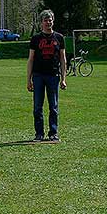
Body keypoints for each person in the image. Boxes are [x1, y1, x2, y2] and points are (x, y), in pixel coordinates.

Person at [27, 9, 67, 142]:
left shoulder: (59, 38)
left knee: (53, 106)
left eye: (50, 20)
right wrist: (29, 79)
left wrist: (63, 78)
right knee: (37, 106)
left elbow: (63, 58)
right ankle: (39, 134)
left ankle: (53, 133)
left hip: (53, 75)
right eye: (45, 20)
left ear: (53, 21)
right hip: (38, 76)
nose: (48, 22)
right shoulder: (36, 39)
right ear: (41, 23)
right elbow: (31, 59)